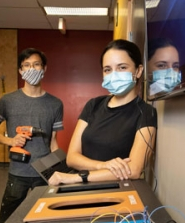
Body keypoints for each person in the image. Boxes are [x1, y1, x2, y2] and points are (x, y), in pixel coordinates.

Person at [48, 39, 157, 185]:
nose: (114, 74)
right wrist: (102, 165)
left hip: (115, 192)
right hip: (79, 189)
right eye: (107, 69)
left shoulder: (146, 113)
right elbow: (72, 158)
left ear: (138, 71)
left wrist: (76, 177)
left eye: (122, 67)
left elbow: (134, 170)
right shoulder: (94, 105)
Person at [0, 48, 64, 223]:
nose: (31, 69)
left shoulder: (55, 104)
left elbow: (53, 141)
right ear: (20, 71)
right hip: (18, 172)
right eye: (26, 65)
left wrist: (60, 169)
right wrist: (11, 141)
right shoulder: (7, 101)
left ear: (44, 69)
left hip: (44, 172)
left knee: (45, 221)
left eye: (36, 65)